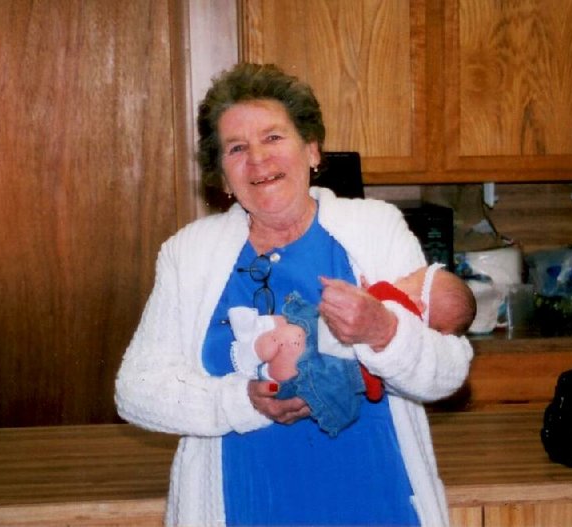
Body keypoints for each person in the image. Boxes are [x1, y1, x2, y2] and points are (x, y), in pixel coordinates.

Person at [114, 62, 474, 527]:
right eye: (237, 148)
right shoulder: (189, 253)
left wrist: (385, 332)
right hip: (245, 509)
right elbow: (136, 390)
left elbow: (448, 373)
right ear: (222, 178)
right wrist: (243, 400)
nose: (258, 160)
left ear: (311, 150)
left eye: (273, 138)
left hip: (376, 505)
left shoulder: (374, 228)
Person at [228, 264, 476, 409]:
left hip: (328, 360)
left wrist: (386, 330)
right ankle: (256, 331)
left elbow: (450, 367)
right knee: (292, 324)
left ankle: (252, 357)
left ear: (420, 305)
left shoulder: (403, 313)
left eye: (409, 279)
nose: (401, 277)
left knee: (291, 341)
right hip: (320, 331)